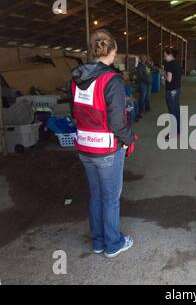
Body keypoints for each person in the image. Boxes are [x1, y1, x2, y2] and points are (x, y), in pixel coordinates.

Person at [71, 29, 136, 258]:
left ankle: (98, 241)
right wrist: (129, 140)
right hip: (107, 148)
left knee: (96, 195)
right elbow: (117, 122)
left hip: (85, 145)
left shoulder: (77, 78)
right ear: (113, 51)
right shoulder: (112, 80)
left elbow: (74, 112)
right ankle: (113, 244)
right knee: (110, 198)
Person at [164, 48, 182, 138]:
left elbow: (169, 79)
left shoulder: (169, 64)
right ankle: (178, 131)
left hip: (171, 91)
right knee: (176, 111)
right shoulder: (177, 63)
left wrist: (164, 74)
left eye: (165, 56)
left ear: (170, 55)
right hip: (177, 89)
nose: (164, 58)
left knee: (172, 112)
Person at [136, 54, 151, 118]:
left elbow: (148, 73)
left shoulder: (146, 65)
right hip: (143, 84)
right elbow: (140, 76)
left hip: (147, 84)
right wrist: (147, 80)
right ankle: (141, 111)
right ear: (140, 59)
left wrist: (150, 79)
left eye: (145, 58)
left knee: (147, 96)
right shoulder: (140, 66)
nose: (145, 59)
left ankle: (147, 108)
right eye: (143, 58)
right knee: (142, 97)